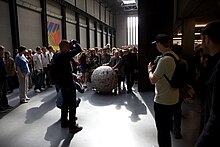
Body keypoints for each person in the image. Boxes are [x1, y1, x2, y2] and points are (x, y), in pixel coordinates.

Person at [148, 34, 179, 147]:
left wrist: (149, 70)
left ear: (160, 44)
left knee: (162, 131)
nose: (156, 46)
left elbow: (153, 80)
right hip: (174, 98)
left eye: (156, 44)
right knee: (167, 127)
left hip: (163, 101)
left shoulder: (164, 60)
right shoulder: (175, 56)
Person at [194, 21, 220, 147]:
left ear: (207, 39)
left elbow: (217, 114)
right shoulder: (213, 61)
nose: (200, 43)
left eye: (201, 39)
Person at [55, 39, 83, 134]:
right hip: (68, 83)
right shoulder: (65, 55)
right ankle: (72, 126)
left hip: (63, 83)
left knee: (65, 103)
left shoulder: (58, 56)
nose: (69, 48)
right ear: (64, 47)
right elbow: (79, 49)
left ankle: (64, 122)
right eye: (68, 46)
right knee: (72, 104)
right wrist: (75, 42)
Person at [0, 45, 13, 112]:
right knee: (0, 93)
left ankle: (5, 105)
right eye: (2, 50)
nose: (3, 52)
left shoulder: (2, 58)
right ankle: (1, 107)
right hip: (0, 78)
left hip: (4, 77)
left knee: (4, 92)